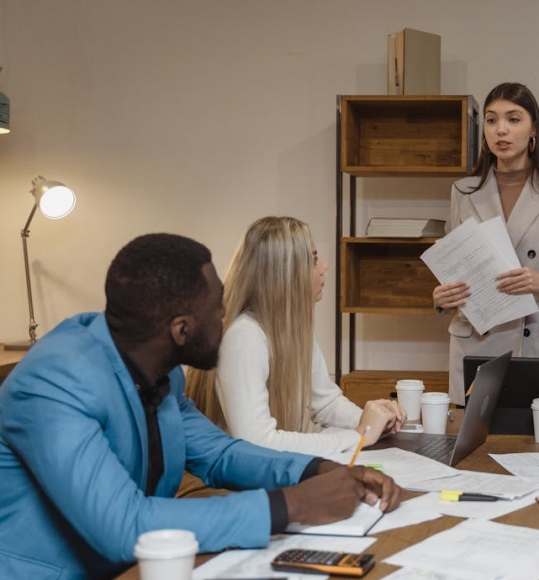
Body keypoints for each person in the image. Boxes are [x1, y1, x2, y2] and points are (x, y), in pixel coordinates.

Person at [0, 233, 404, 580]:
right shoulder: (53, 384)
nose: (227, 316)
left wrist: (316, 470)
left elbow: (220, 455)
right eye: (218, 308)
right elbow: (124, 526)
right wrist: (292, 504)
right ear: (182, 329)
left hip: (140, 567)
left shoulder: (159, 370)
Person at [186, 216, 406, 458]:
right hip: (240, 474)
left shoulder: (292, 328)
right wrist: (359, 435)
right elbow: (257, 442)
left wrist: (374, 420)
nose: (324, 267)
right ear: (286, 272)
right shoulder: (244, 337)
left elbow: (326, 403)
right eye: (313, 260)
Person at [431, 82, 539, 404]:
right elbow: (457, 269)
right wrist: (442, 297)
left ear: (533, 129)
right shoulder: (463, 191)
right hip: (478, 342)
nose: (501, 129)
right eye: (491, 120)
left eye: (513, 119)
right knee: (473, 435)